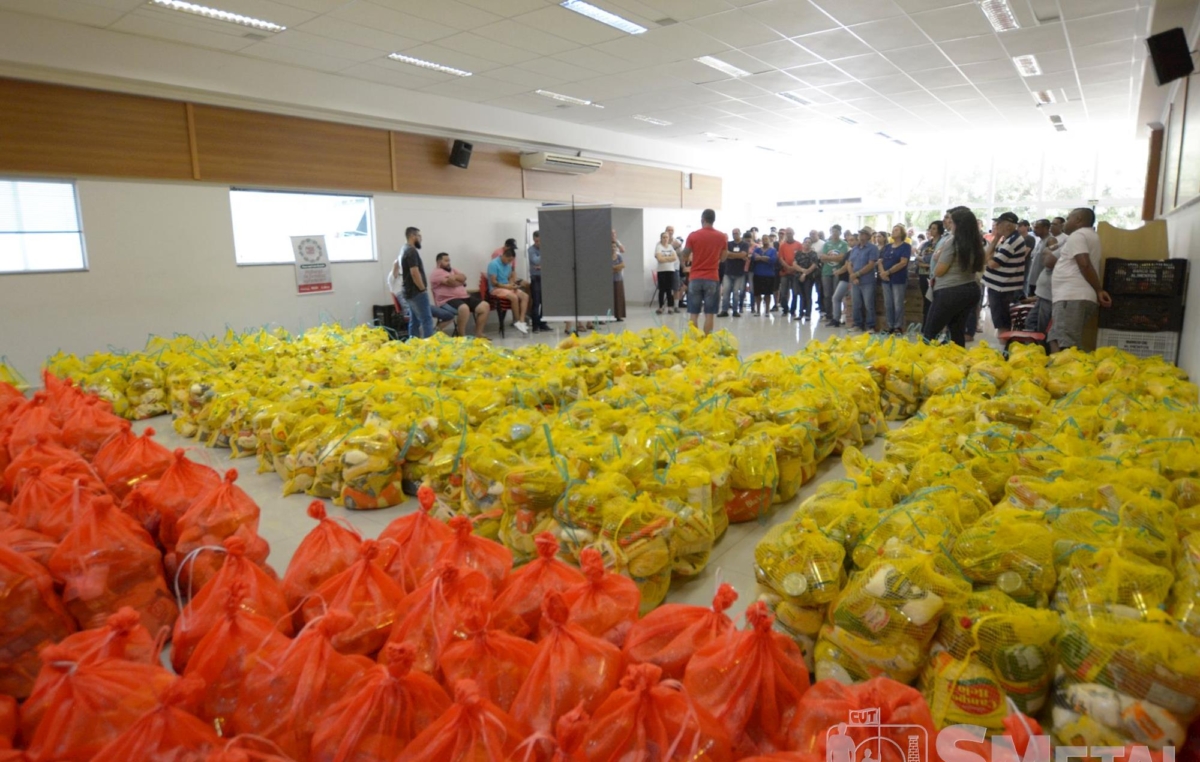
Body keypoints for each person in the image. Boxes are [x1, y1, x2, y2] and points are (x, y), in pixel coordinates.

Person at [1048, 207, 1111, 353]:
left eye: (1068, 218)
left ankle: (1067, 373)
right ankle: (1058, 371)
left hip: (1072, 297)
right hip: (1072, 297)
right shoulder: (1090, 235)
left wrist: (1099, 289)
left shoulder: (1078, 235)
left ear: (1078, 220)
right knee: (1056, 338)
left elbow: (1084, 263)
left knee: (1066, 343)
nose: (1065, 222)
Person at [923, 208, 985, 347]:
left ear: (958, 224)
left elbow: (939, 271)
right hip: (970, 289)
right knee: (956, 334)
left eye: (951, 222)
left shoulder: (953, 242)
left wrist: (938, 257)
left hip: (950, 291)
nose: (949, 224)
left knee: (930, 333)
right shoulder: (975, 242)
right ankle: (957, 363)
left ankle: (921, 365)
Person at [982, 211, 1030, 332]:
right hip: (998, 286)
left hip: (1002, 287)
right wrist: (996, 238)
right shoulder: (1007, 239)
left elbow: (992, 263)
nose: (996, 226)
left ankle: (1004, 347)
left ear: (1008, 225)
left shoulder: (1013, 241)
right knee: (1000, 319)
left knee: (1002, 320)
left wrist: (989, 258)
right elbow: (988, 257)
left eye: (999, 223)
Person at [683, 209, 725, 335]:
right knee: (710, 314)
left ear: (703, 219)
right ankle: (707, 342)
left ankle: (695, 342)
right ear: (713, 220)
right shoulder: (721, 236)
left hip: (695, 277)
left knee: (694, 314)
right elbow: (723, 258)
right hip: (712, 277)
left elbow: (685, 255)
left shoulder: (693, 235)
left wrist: (689, 259)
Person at [430, 252, 491, 339]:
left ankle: (479, 334)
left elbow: (464, 277)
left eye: (449, 260)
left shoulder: (453, 270)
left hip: (464, 297)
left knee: (485, 306)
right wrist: (459, 281)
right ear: (439, 262)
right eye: (446, 260)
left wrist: (455, 277)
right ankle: (461, 336)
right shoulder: (436, 273)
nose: (449, 262)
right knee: (464, 308)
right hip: (447, 300)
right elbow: (451, 283)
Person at [388, 226, 434, 339]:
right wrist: (422, 289)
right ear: (413, 236)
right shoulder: (412, 250)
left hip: (408, 291)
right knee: (427, 319)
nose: (421, 239)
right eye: (419, 236)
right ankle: (430, 348)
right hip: (416, 291)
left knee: (415, 321)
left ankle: (413, 344)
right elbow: (414, 272)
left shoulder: (403, 249)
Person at [486, 245, 531, 334]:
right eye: (509, 260)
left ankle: (522, 321)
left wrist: (512, 284)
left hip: (507, 287)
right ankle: (517, 321)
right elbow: (493, 282)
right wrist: (507, 287)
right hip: (496, 289)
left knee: (525, 296)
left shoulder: (508, 265)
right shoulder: (493, 264)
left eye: (511, 261)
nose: (509, 262)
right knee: (514, 297)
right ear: (504, 256)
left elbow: (509, 277)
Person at [878, 224, 911, 334]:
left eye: (896, 230)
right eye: (892, 230)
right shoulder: (887, 246)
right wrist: (882, 272)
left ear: (902, 233)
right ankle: (889, 325)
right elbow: (880, 261)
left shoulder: (906, 246)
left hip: (898, 278)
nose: (893, 231)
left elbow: (903, 263)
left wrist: (888, 272)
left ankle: (898, 326)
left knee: (898, 303)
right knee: (888, 303)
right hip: (886, 279)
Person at [848, 226, 880, 332]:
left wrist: (857, 274)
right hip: (855, 281)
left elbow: (871, 264)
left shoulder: (872, 248)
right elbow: (849, 264)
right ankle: (857, 324)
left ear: (868, 236)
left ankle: (870, 326)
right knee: (856, 303)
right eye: (861, 234)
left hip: (867, 281)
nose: (861, 236)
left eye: (864, 234)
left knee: (868, 304)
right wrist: (853, 275)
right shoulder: (854, 249)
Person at [820, 225, 849, 321]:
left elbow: (842, 258)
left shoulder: (844, 244)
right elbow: (822, 258)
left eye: (836, 231)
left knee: (836, 295)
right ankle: (828, 314)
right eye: (833, 231)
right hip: (826, 272)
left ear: (840, 232)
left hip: (838, 272)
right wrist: (834, 258)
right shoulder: (826, 244)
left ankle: (836, 315)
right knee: (827, 295)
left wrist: (828, 257)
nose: (834, 233)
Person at [718, 232, 750, 318]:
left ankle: (735, 311)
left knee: (736, 292)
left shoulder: (745, 244)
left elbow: (743, 254)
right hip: (728, 272)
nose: (735, 235)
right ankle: (724, 310)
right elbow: (725, 254)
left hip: (739, 273)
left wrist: (731, 254)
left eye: (736, 233)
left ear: (740, 234)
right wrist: (738, 256)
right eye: (733, 233)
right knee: (726, 292)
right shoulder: (728, 244)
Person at [918, 221, 944, 324]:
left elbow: (935, 259)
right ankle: (926, 324)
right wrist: (926, 261)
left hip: (935, 275)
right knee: (926, 300)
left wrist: (926, 262)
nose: (931, 231)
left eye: (934, 228)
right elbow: (918, 259)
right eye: (930, 228)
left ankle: (935, 324)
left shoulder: (942, 243)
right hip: (923, 274)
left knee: (936, 301)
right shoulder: (926, 244)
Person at [828, 233, 855, 329]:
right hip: (844, 278)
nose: (850, 242)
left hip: (849, 278)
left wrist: (838, 272)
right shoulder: (849, 252)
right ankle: (836, 318)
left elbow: (847, 265)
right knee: (836, 298)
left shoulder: (855, 252)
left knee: (843, 299)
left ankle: (850, 321)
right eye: (849, 240)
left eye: (852, 240)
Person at [527, 231, 550, 332]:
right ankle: (535, 325)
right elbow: (535, 261)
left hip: (546, 278)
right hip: (536, 279)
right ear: (534, 240)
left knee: (545, 302)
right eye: (537, 241)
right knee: (536, 303)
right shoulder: (531, 250)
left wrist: (542, 266)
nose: (539, 243)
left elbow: (551, 262)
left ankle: (543, 324)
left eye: (540, 241)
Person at [777, 229, 802, 319]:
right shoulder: (782, 246)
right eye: (787, 234)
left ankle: (793, 310)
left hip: (795, 272)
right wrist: (787, 267)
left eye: (790, 233)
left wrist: (794, 267)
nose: (789, 235)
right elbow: (781, 258)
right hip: (785, 272)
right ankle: (785, 309)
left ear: (794, 233)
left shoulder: (799, 245)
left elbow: (800, 257)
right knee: (783, 292)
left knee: (795, 292)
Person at [750, 236, 777, 315]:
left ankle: (767, 311)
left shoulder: (773, 250)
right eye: (763, 239)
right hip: (758, 273)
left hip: (769, 275)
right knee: (757, 293)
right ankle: (758, 310)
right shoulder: (757, 249)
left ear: (769, 240)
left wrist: (760, 258)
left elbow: (772, 260)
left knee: (767, 294)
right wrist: (765, 258)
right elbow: (753, 258)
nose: (765, 240)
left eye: (766, 239)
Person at [654, 230, 679, 314]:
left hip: (670, 270)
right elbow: (659, 259)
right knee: (662, 290)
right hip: (661, 271)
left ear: (668, 238)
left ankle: (670, 307)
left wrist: (665, 258)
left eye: (666, 237)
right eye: (663, 237)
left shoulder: (671, 247)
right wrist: (669, 258)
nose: (665, 239)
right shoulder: (658, 247)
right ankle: (661, 307)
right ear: (661, 238)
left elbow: (674, 258)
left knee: (669, 290)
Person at [612, 242, 626, 321]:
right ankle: (610, 316)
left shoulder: (619, 256)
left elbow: (623, 265)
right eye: (611, 246)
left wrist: (613, 267)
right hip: (609, 281)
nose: (613, 248)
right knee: (611, 298)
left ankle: (619, 316)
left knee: (618, 298)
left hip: (618, 279)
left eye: (614, 246)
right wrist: (617, 268)